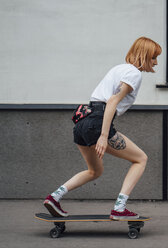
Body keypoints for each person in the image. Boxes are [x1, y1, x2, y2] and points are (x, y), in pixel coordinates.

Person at [43, 37, 161, 220]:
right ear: (145, 55)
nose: (156, 62)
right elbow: (113, 101)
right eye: (154, 57)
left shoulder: (118, 68)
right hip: (98, 122)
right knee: (141, 159)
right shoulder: (134, 74)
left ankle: (54, 197)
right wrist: (104, 136)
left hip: (83, 121)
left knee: (94, 171)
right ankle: (119, 208)